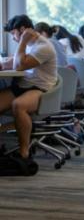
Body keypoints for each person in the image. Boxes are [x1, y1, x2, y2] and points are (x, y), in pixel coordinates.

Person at [0, 15, 59, 165]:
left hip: (40, 89)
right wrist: (4, 64)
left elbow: (20, 65)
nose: (13, 38)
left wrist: (22, 41)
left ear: (23, 30)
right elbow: (16, 60)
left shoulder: (43, 46)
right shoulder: (31, 44)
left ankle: (23, 152)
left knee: (18, 106)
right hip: (23, 85)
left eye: (14, 33)